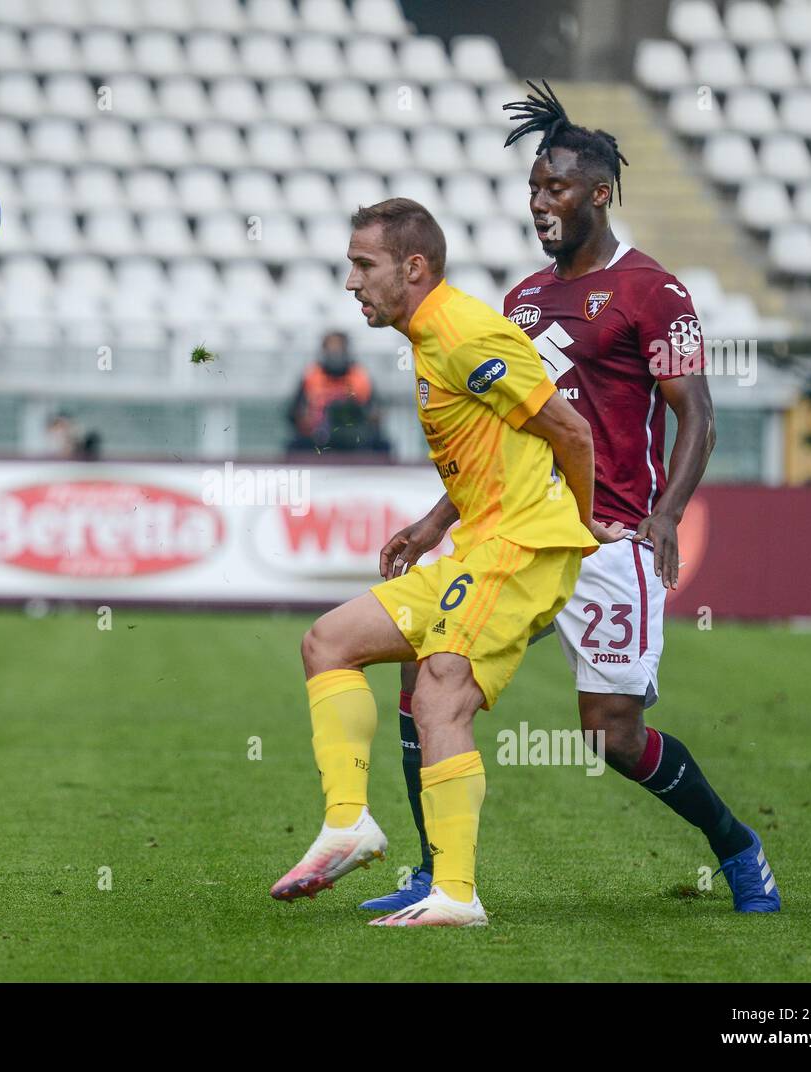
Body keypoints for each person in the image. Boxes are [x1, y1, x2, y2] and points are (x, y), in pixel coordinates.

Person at [363, 81, 780, 916]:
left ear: (600, 192)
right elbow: (505, 435)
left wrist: (666, 515)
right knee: (426, 677)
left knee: (611, 735)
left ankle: (737, 845)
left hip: (611, 538)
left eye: (555, 188)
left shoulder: (652, 292)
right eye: (531, 190)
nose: (539, 203)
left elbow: (696, 410)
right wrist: (437, 519)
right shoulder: (516, 302)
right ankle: (432, 873)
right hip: (515, 535)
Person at [269, 198, 617, 927]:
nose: (351, 282)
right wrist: (432, 525)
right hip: (480, 542)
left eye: (364, 266)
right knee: (327, 641)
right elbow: (494, 450)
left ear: (414, 267)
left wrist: (580, 526)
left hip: (521, 548)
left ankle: (456, 894)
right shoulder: (430, 338)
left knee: (439, 693)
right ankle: (348, 824)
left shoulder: (462, 333)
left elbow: (572, 432)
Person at [286, 332, 388, 454]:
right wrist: (305, 420)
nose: (335, 352)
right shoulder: (311, 376)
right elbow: (294, 413)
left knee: (382, 445)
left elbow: (375, 412)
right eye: (331, 348)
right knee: (294, 445)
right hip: (318, 435)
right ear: (324, 350)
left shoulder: (360, 377)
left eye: (339, 348)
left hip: (355, 435)